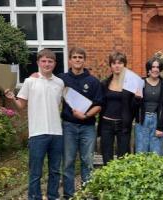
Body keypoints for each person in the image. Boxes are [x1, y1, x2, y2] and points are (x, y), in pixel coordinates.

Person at [4, 49, 64, 200]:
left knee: (55, 170)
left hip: (57, 133)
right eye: (43, 61)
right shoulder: (30, 81)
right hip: (37, 133)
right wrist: (12, 98)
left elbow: (59, 105)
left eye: (50, 61)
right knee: (35, 172)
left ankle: (53, 196)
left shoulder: (60, 83)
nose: (47, 64)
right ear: (38, 62)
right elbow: (21, 105)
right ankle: (34, 197)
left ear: (55, 64)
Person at [59, 47, 103, 199]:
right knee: (68, 162)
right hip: (68, 126)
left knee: (87, 161)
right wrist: (35, 75)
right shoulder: (61, 79)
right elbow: (47, 82)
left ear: (84, 60)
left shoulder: (93, 81)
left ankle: (87, 194)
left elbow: (98, 104)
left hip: (88, 127)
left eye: (80, 57)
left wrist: (85, 115)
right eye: (75, 57)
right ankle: (69, 195)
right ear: (70, 60)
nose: (77, 60)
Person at [98, 51, 138, 165]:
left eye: (120, 63)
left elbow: (134, 108)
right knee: (107, 156)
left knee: (123, 157)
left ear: (124, 65)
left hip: (123, 124)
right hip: (106, 123)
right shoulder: (105, 83)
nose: (117, 65)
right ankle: (108, 182)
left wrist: (137, 99)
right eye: (114, 63)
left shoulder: (130, 84)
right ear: (110, 66)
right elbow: (100, 103)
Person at [134, 57, 163, 155]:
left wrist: (160, 127)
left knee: (156, 153)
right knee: (141, 152)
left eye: (158, 67)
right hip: (142, 120)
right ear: (149, 69)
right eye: (153, 67)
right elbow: (134, 106)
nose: (156, 69)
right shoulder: (140, 82)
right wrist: (136, 98)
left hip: (157, 119)